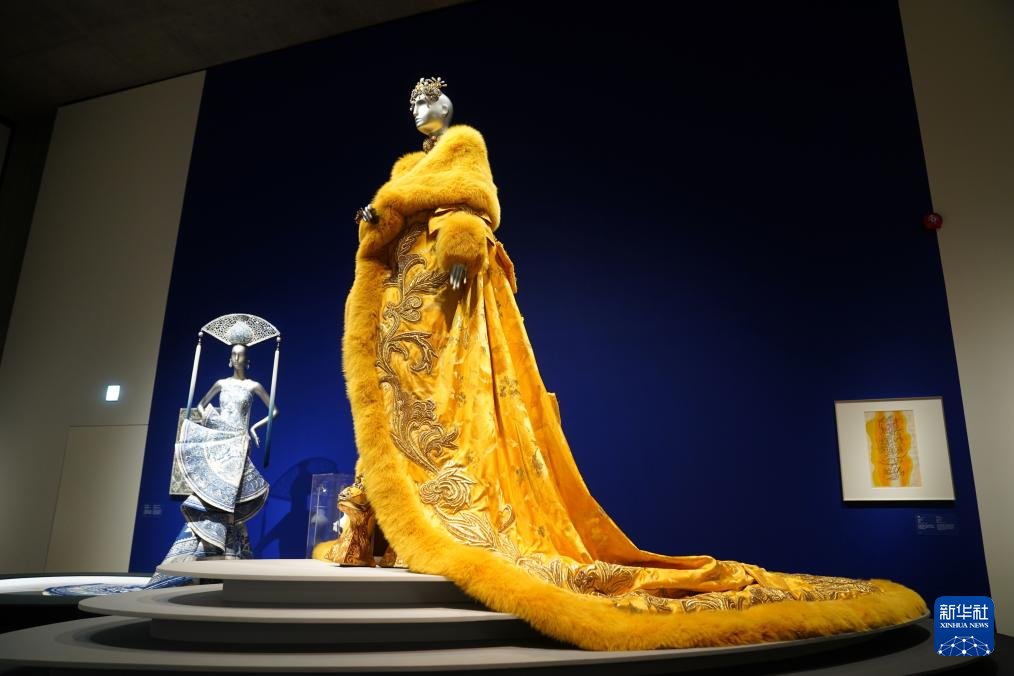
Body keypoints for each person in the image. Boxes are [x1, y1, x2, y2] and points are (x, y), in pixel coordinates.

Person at [337, 76, 927, 650]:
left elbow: (476, 199)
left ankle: (445, 518)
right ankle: (391, 523)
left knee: (449, 402)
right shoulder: (405, 169)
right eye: (414, 104)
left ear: (447, 104)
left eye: (430, 99)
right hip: (408, 298)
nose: (422, 110)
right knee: (402, 398)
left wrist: (461, 234)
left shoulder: (464, 145)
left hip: (449, 285)